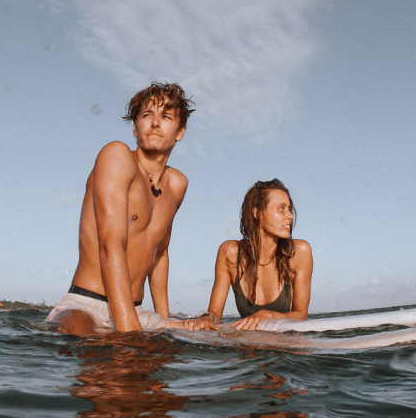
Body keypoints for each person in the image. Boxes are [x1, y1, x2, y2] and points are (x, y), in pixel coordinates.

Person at [46, 82, 194, 335]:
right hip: (87, 306)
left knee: (224, 334)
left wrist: (166, 325)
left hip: (137, 312)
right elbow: (110, 245)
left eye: (166, 117)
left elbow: (160, 254)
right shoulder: (116, 156)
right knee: (76, 336)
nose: (155, 123)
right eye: (147, 115)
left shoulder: (177, 184)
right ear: (135, 127)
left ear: (180, 132)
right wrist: (131, 334)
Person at [185, 179, 313, 332]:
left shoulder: (298, 252)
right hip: (247, 344)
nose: (290, 215)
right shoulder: (230, 252)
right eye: (281, 209)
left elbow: (301, 315)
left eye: (289, 209)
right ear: (257, 213)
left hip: (286, 345)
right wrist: (207, 319)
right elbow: (214, 313)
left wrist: (267, 315)